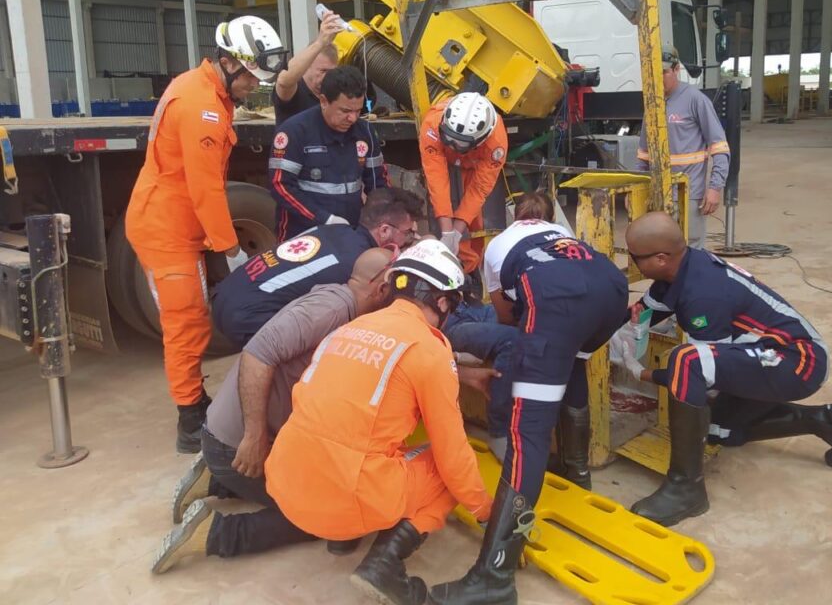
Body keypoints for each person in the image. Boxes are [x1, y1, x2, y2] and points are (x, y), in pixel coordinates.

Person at [262, 240, 491, 604]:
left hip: (284, 482)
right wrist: (484, 512)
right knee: (447, 472)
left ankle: (342, 539)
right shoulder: (429, 349)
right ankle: (385, 565)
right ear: (443, 301)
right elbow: (452, 454)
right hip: (344, 500)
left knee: (366, 436)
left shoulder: (349, 328)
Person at [429, 203, 628, 605]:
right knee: (573, 367)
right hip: (612, 289)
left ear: (512, 219)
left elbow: (504, 315)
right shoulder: (558, 233)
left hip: (555, 299)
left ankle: (494, 575)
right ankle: (578, 473)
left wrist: (534, 344)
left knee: (527, 434)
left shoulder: (499, 247)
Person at [152, 248, 396, 574]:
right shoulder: (331, 310)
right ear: (380, 288)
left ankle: (218, 481)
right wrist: (254, 436)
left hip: (229, 438)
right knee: (322, 516)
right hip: (237, 443)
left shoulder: (341, 300)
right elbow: (257, 353)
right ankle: (214, 532)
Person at [610, 211, 832, 528]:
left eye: (634, 257)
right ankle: (826, 421)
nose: (630, 262)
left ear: (659, 258)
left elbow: (706, 375)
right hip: (766, 355)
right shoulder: (679, 272)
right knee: (716, 431)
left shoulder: (703, 293)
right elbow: (638, 315)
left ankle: (686, 489)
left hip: (799, 361)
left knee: (687, 361)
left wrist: (642, 373)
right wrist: (604, 334)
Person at [126, 15, 287, 453]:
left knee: (191, 319)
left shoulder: (204, 89)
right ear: (232, 63)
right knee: (186, 323)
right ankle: (189, 419)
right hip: (166, 227)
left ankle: (193, 400)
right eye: (252, 77)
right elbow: (206, 190)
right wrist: (232, 249)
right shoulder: (203, 108)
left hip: (174, 217)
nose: (255, 86)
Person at [211, 187, 422, 348]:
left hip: (225, 296)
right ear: (384, 230)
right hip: (246, 317)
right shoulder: (358, 265)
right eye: (409, 233)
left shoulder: (336, 229)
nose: (413, 238)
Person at [441, 192, 556, 460]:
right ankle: (499, 431)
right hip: (452, 320)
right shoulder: (557, 236)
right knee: (514, 340)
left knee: (523, 331)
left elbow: (501, 304)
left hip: (471, 309)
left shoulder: (505, 242)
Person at [269, 65, 387, 240]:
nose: (353, 118)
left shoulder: (365, 132)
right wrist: (324, 219)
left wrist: (384, 217)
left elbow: (378, 184)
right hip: (301, 235)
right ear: (323, 101)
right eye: (345, 111)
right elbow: (280, 185)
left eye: (357, 111)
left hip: (350, 231)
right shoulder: (296, 131)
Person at [636, 46, 730, 249]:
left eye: (664, 72)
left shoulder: (695, 100)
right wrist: (636, 188)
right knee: (661, 248)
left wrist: (714, 187)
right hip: (659, 192)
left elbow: (720, 147)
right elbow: (643, 154)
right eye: (654, 72)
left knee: (690, 249)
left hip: (689, 193)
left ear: (676, 69)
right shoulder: (652, 104)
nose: (659, 78)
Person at [419, 92, 507, 277]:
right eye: (449, 140)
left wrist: (457, 233)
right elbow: (436, 179)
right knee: (439, 209)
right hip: (441, 158)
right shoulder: (432, 125)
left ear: (480, 140)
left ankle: (469, 269)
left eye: (459, 145)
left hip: (473, 164)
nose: (452, 146)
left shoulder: (495, 143)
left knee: (474, 222)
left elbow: (479, 189)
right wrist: (446, 230)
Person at [271, 7, 345, 124]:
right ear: (306, 67)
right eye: (323, 71)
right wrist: (320, 43)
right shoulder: (296, 92)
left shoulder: (334, 95)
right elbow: (283, 82)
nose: (328, 77)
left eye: (332, 72)